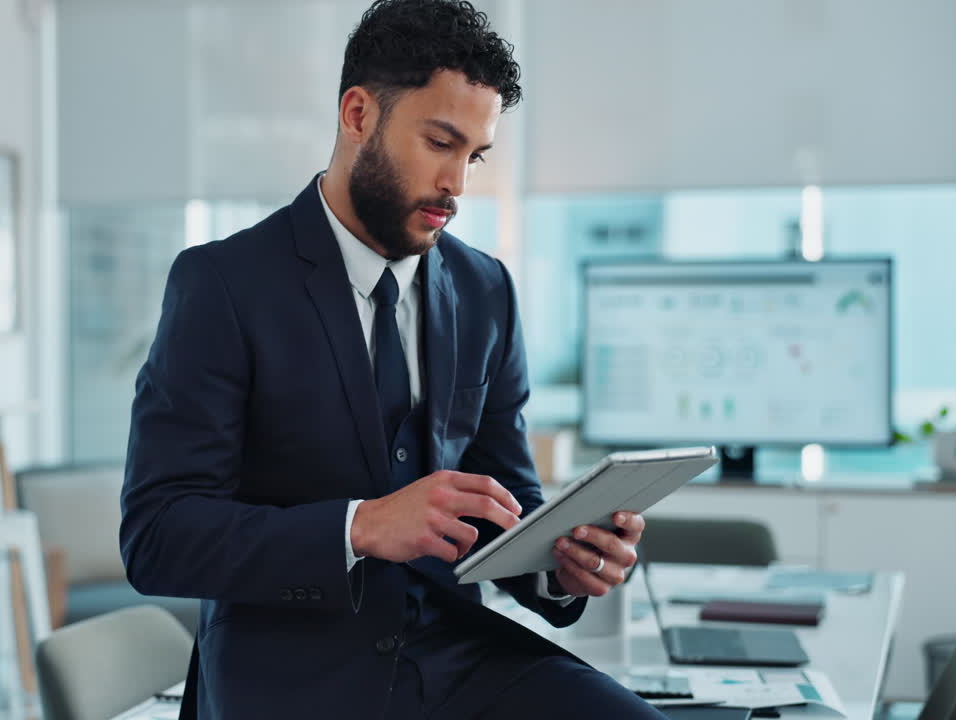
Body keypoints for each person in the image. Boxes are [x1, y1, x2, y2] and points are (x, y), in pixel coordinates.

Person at [119, 1, 664, 717]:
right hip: (290, 677)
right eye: (440, 142)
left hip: (460, 658)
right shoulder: (222, 284)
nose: (458, 185)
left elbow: (507, 505)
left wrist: (562, 563)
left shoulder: (485, 289)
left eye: (474, 155)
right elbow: (158, 535)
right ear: (357, 114)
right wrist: (358, 525)